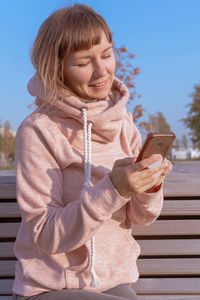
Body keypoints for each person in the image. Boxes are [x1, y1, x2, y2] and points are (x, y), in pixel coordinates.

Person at [12, 4, 172, 300]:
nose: (102, 71)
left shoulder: (124, 123)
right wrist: (112, 190)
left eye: (107, 54)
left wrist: (148, 186)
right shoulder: (38, 130)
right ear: (58, 67)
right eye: (84, 62)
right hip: (51, 288)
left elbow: (140, 217)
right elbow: (45, 234)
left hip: (113, 284)